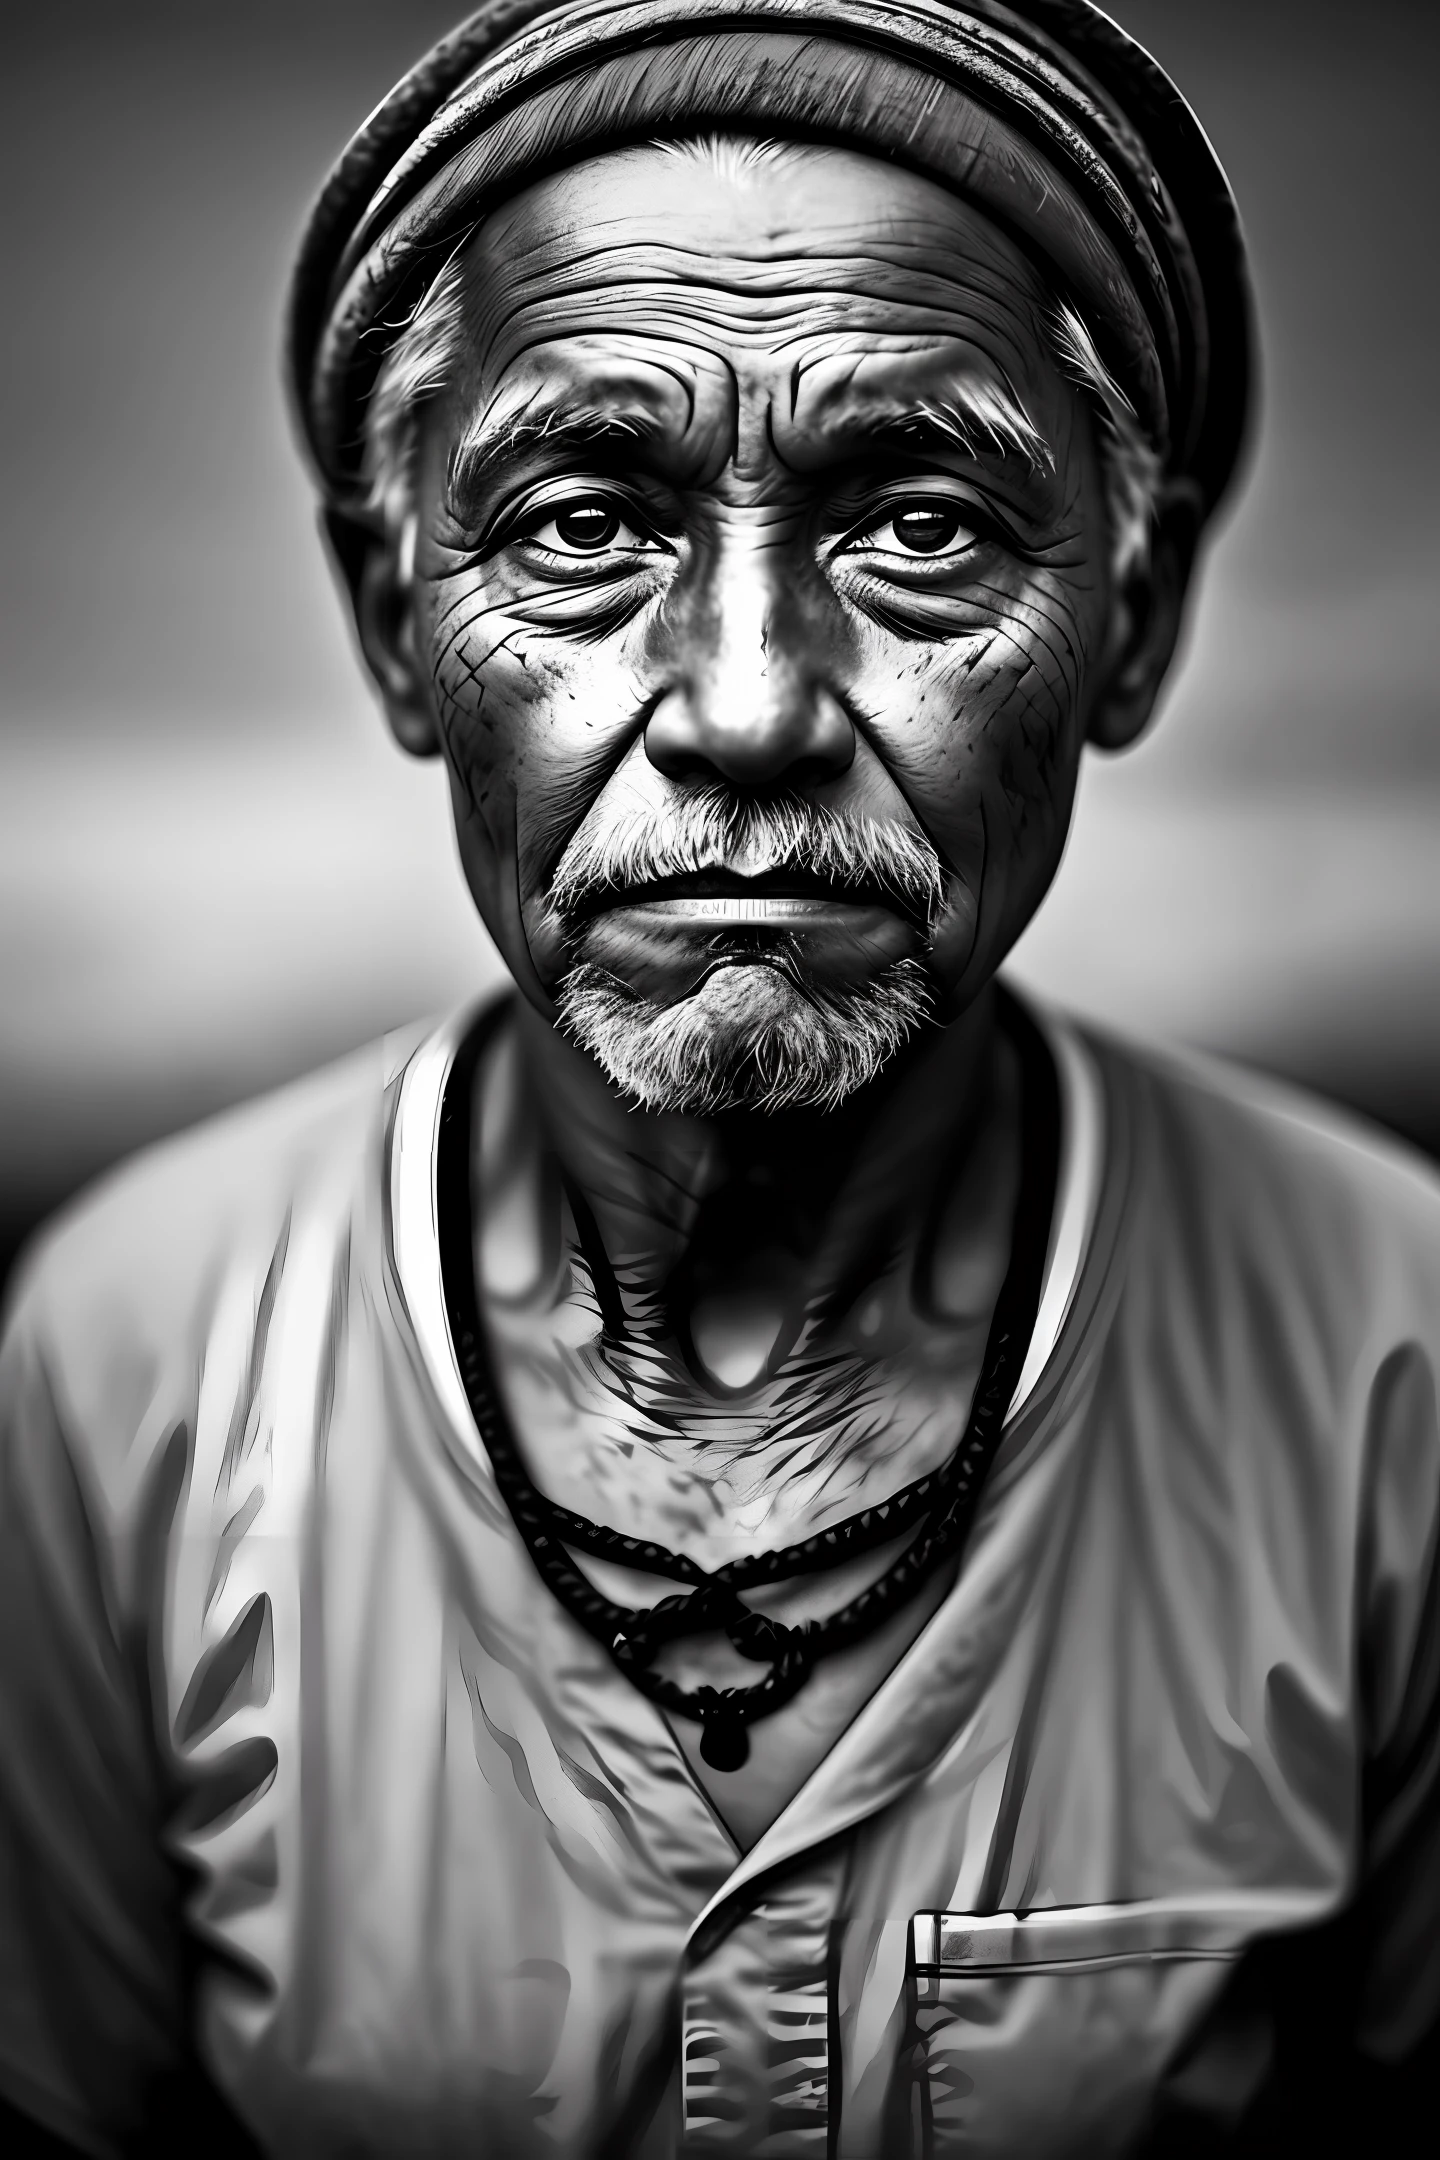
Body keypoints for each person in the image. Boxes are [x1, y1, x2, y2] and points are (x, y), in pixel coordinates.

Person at [1, 2, 1436, 2152]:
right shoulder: (137, 1357)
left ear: (1131, 616)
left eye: (926, 525)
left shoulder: (1390, 1343)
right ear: (395, 615)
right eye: (582, 519)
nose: (750, 704)